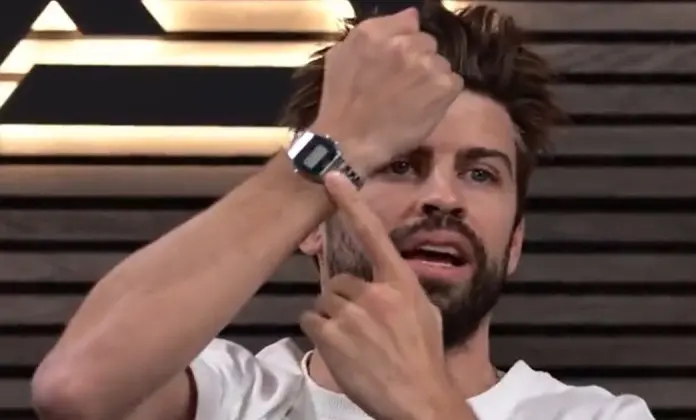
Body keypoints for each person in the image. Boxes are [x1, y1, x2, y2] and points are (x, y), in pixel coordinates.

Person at [31, 3, 655, 420]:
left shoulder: (595, 416)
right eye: (400, 165)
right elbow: (74, 388)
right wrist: (337, 144)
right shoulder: (232, 394)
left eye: (480, 173)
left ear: (515, 241)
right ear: (310, 227)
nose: (443, 197)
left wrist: (426, 406)